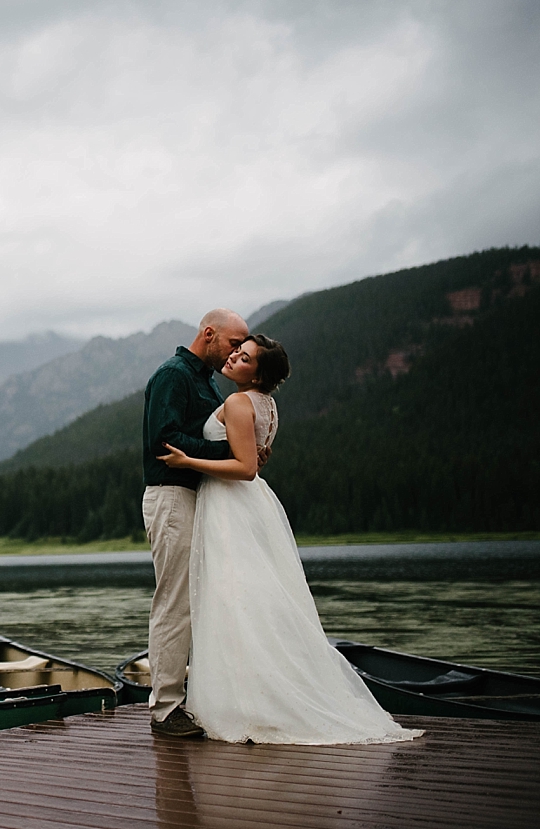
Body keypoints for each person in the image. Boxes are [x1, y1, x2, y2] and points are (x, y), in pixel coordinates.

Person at [158, 335, 421, 744]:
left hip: (231, 504)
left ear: (258, 374)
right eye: (236, 351)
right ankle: (249, 694)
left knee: (231, 599)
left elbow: (245, 467)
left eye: (244, 358)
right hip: (247, 505)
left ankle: (248, 702)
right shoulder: (266, 404)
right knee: (252, 598)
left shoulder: (239, 402)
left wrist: (187, 460)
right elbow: (254, 454)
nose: (233, 358)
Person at [141, 308, 249, 737]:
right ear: (209, 334)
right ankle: (165, 710)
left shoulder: (205, 379)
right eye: (233, 343)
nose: (236, 352)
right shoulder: (173, 374)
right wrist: (234, 456)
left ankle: (198, 698)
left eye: (242, 348)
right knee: (176, 602)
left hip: (198, 498)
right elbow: (163, 439)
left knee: (203, 602)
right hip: (171, 497)